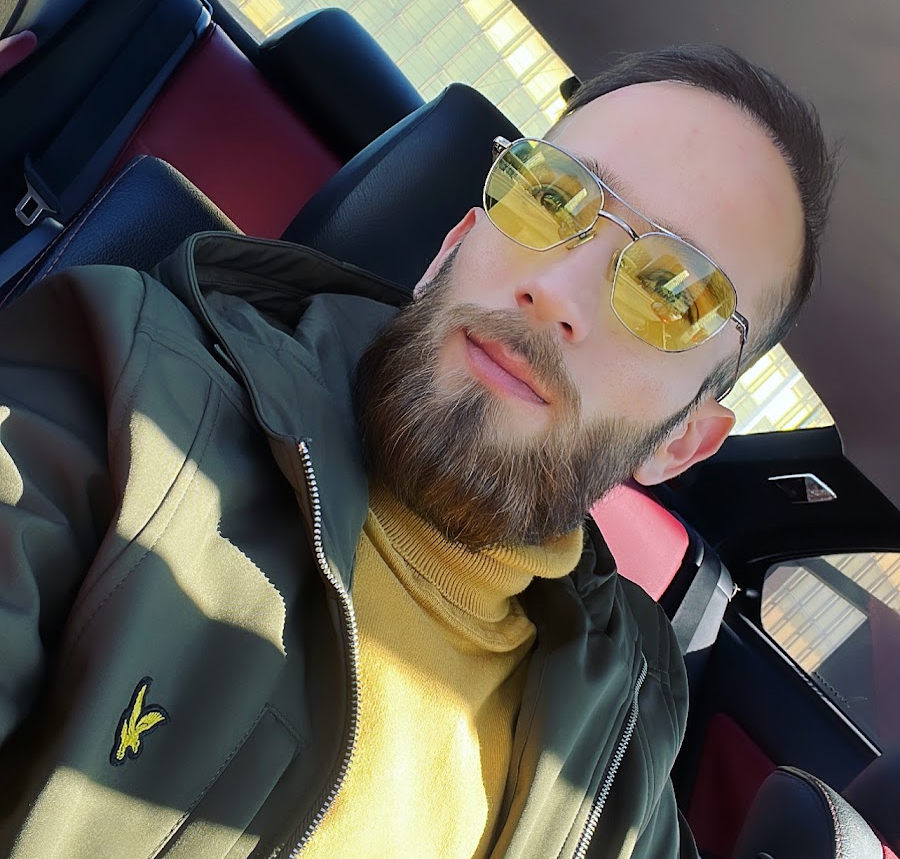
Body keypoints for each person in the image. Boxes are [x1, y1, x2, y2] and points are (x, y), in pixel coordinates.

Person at [0, 44, 835, 858]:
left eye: (671, 293)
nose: (557, 290)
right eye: (552, 196)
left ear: (684, 441)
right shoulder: (129, 393)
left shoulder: (625, 739)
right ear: (449, 252)